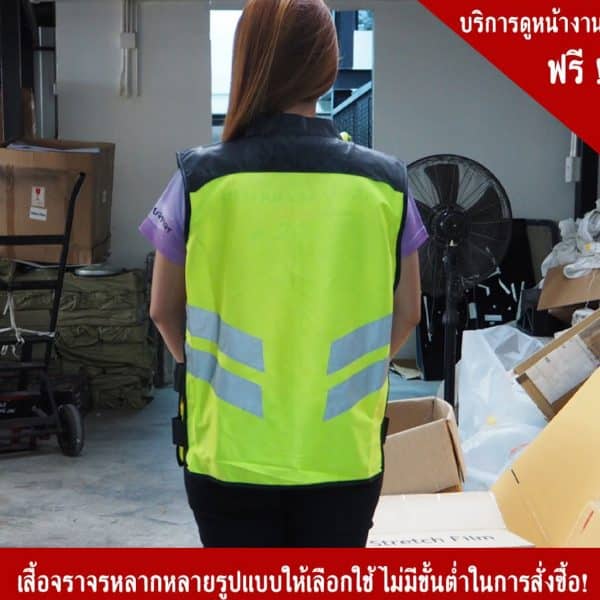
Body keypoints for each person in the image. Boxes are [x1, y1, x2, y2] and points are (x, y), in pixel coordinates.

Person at [140, 0, 428, 548]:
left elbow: (162, 311)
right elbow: (408, 313)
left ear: (247, 60)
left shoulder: (199, 179)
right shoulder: (387, 184)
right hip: (343, 455)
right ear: (328, 69)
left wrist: (211, 375)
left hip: (227, 454)